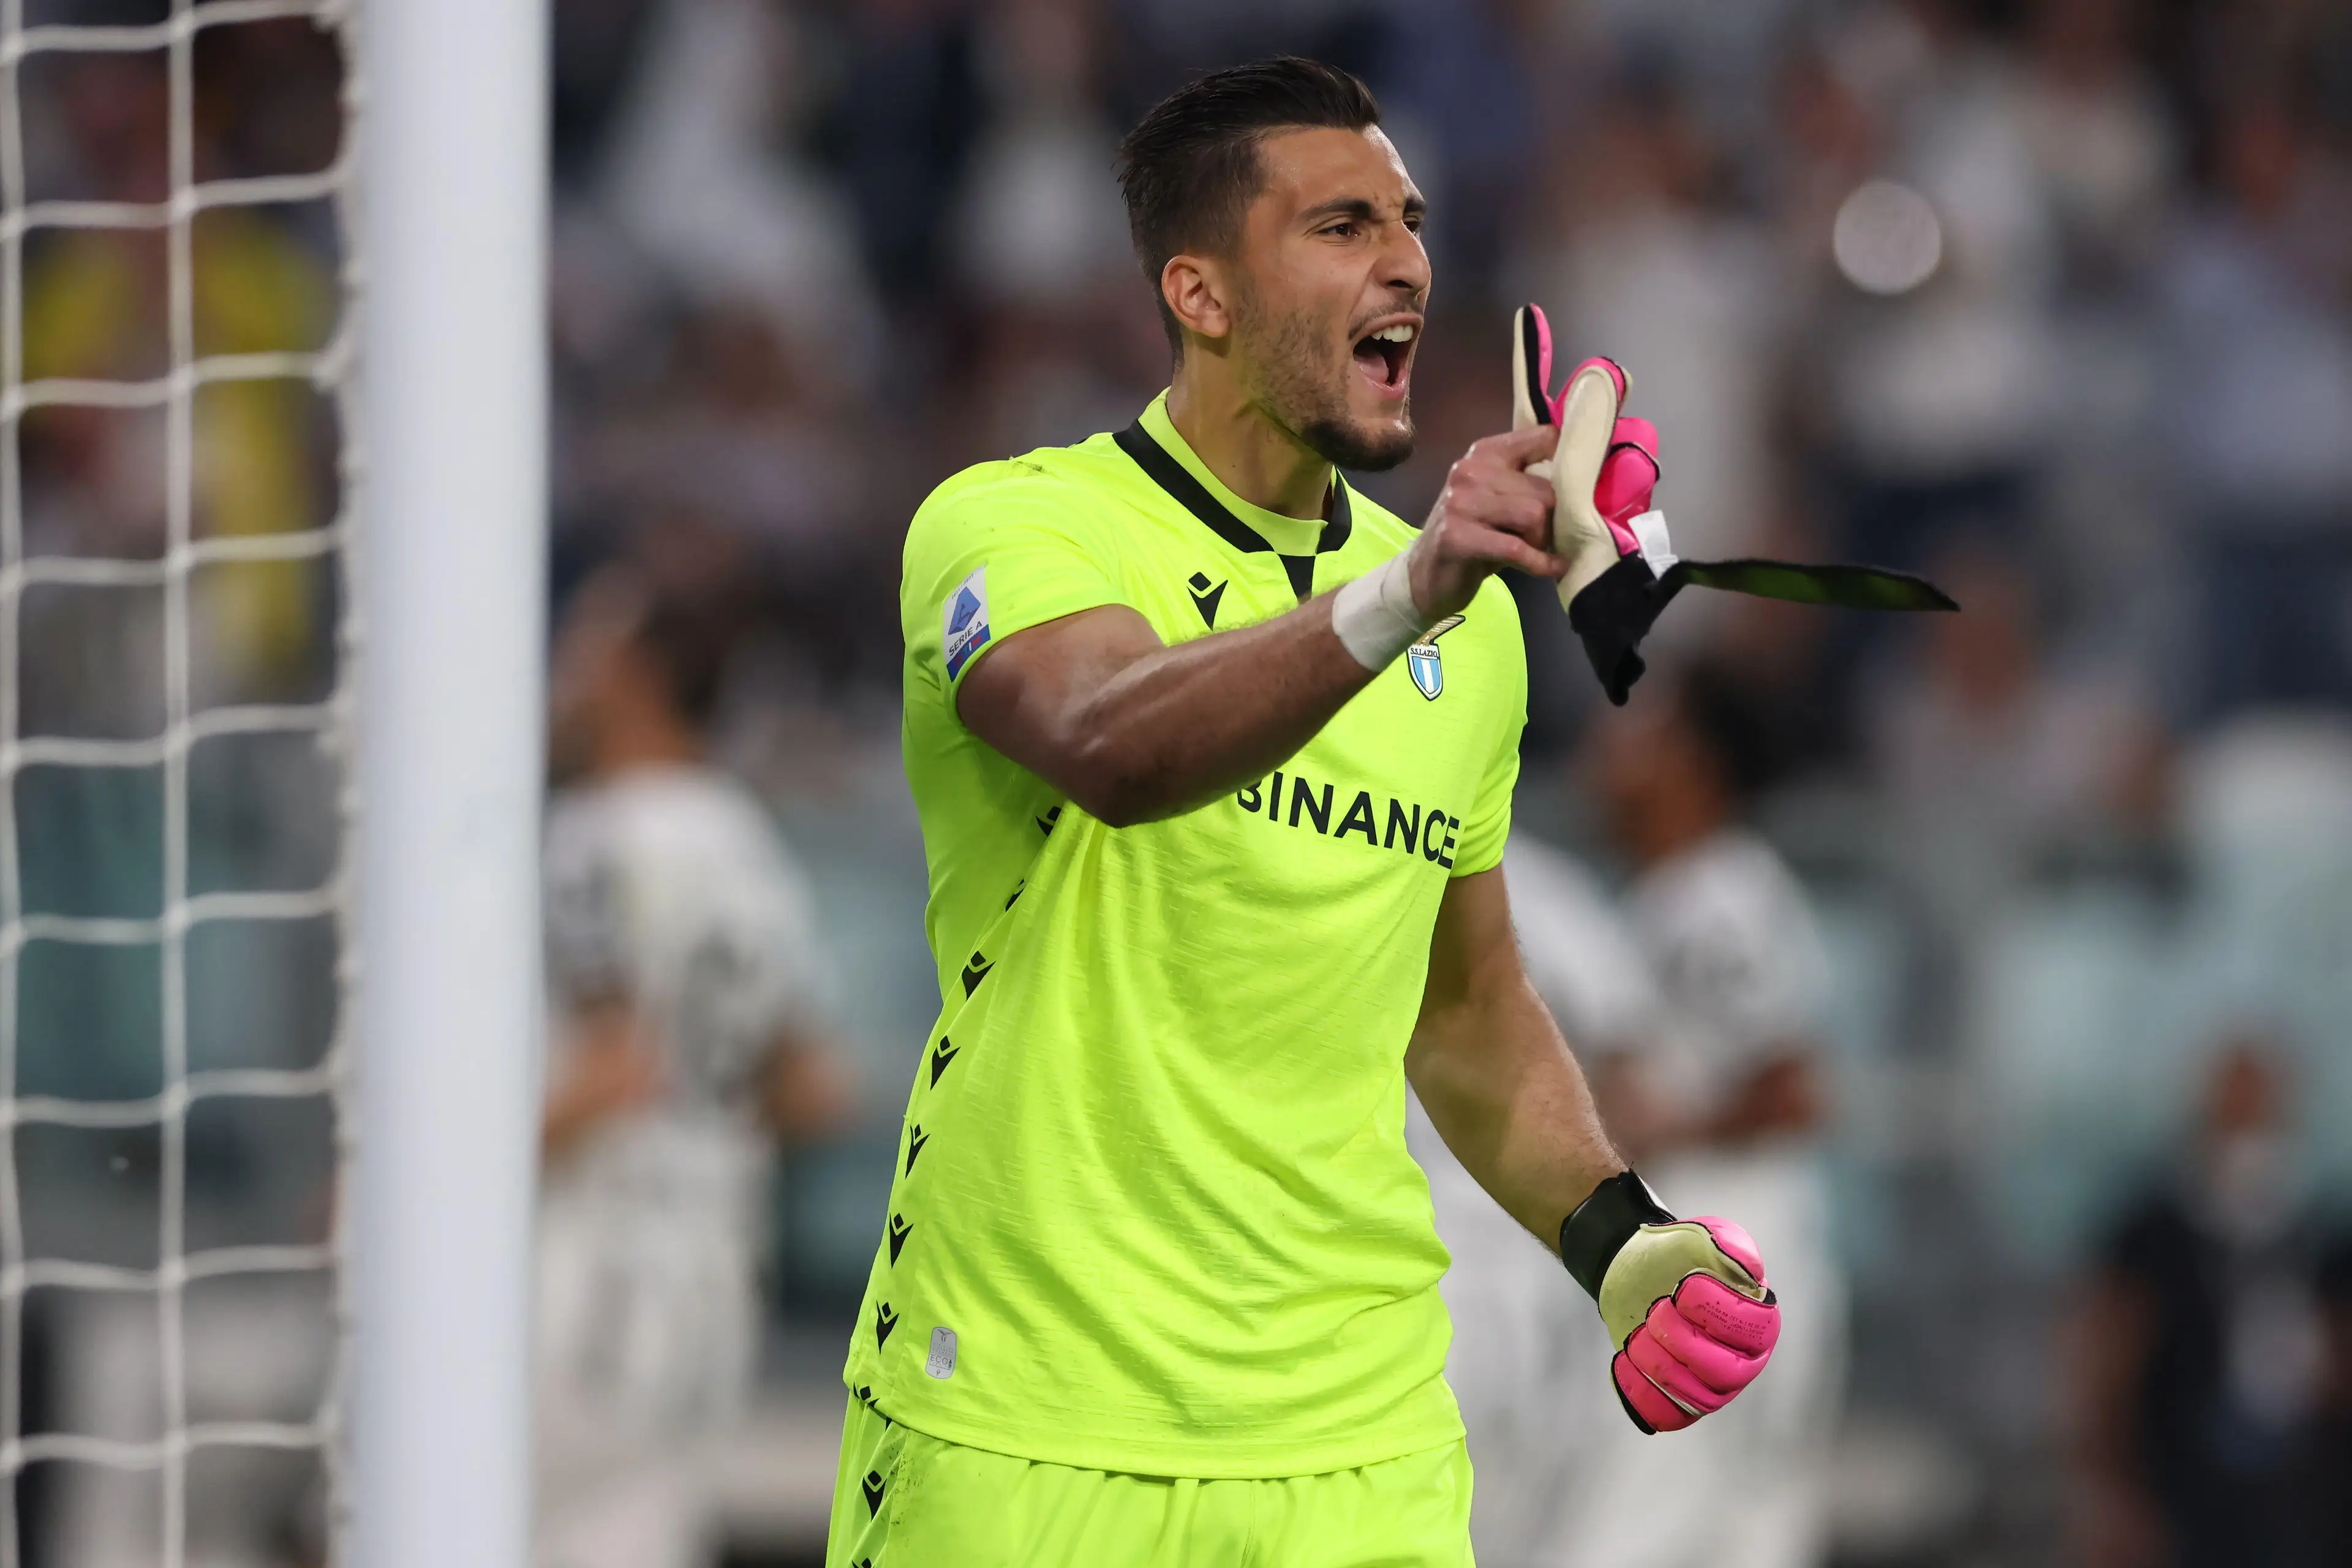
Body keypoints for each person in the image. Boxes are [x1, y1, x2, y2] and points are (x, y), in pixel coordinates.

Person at [827, 58, 1781, 1566]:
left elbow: (1463, 1011)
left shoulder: (1463, 630)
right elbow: (1104, 739)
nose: (1403, 255)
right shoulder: (1019, 522)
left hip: (1360, 1451)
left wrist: (1617, 1237)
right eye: (1339, 225)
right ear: (1198, 294)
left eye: (1407, 219)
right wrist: (1403, 591)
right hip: (1022, 1429)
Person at [535, 558, 851, 1568]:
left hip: (581, 1278)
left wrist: (404, 1200)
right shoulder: (748, 842)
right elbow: (813, 1087)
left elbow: (614, 1061)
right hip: (712, 1284)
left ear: (633, 674)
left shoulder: (593, 838)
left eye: (582, 648)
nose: (562, 674)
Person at [1565, 669, 1845, 1568]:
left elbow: (1793, 1089)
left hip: (1723, 1250)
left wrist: (1645, 1128)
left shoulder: (1717, 896)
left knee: (1643, 1531)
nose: (1616, 746)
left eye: (1647, 727)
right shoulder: (1673, 896)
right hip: (1712, 1249)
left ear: (1698, 763)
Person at [1406, 835, 1666, 1566]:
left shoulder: (1334, 849)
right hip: (1536, 1265)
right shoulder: (1551, 887)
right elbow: (1630, 1094)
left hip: (1400, 1267)